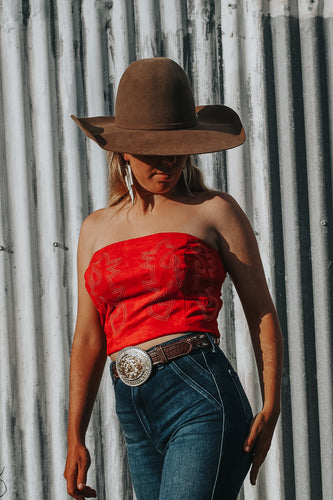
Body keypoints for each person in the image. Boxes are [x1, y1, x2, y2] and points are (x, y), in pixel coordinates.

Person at [64, 57, 283, 500]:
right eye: (152, 149)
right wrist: (75, 434)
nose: (167, 160)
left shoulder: (214, 210)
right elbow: (89, 338)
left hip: (200, 396)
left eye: (178, 146)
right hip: (133, 408)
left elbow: (260, 308)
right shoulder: (95, 228)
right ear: (122, 149)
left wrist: (272, 402)